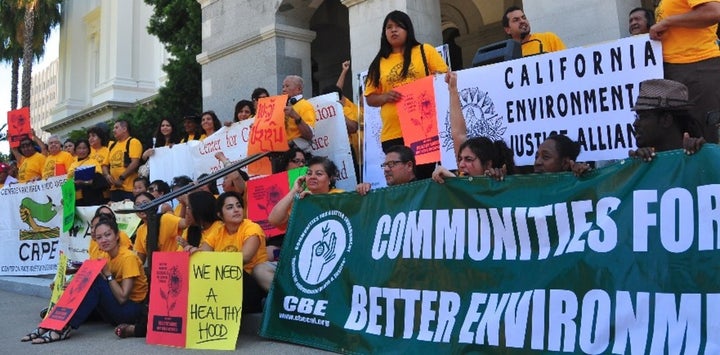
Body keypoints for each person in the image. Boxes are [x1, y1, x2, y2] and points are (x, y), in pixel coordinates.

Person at [21, 216, 147, 344]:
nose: (104, 240)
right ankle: (49, 323)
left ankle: (62, 328)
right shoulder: (103, 255)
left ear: (117, 236)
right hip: (114, 306)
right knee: (87, 282)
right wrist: (71, 284)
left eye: (107, 235)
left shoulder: (128, 258)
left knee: (96, 282)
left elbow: (122, 298)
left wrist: (108, 274)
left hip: (132, 311)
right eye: (99, 237)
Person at [365, 10, 449, 154]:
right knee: (399, 175)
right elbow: (370, 98)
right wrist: (384, 97)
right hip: (392, 134)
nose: (393, 30)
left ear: (408, 29)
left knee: (424, 175)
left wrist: (435, 80)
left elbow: (445, 79)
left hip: (424, 128)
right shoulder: (378, 62)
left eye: (398, 26)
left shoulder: (425, 51)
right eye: (389, 27)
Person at [258, 156, 342, 292]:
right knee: (260, 270)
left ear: (331, 178)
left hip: (328, 262)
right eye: (309, 173)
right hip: (299, 262)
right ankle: (290, 296)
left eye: (319, 174)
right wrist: (293, 191)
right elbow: (274, 219)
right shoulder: (301, 201)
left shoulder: (340, 196)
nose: (312, 177)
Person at [185, 191, 267, 313]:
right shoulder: (218, 231)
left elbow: (244, 257)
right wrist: (192, 250)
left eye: (238, 205)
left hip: (250, 284)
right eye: (230, 207)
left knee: (234, 273)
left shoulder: (251, 227)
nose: (236, 210)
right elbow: (202, 256)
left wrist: (212, 258)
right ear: (220, 214)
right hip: (225, 284)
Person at [650, 0, 720, 143]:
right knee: (689, 140)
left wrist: (668, 21)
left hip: (695, 67)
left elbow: (713, 12)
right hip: (679, 70)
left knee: (704, 138)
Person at [629, 79, 706, 161]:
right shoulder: (642, 162)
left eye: (642, 117)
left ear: (666, 120)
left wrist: (704, 153)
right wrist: (636, 167)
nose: (635, 124)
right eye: (636, 117)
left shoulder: (699, 156)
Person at [132, 192, 187, 264]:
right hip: (157, 271)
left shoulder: (165, 218)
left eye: (145, 203)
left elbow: (186, 223)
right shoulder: (140, 230)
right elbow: (140, 259)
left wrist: (186, 204)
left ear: (154, 205)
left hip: (175, 266)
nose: (142, 207)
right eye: (138, 205)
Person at [104, 120, 143, 201]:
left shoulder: (133, 142)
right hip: (114, 189)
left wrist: (121, 178)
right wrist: (107, 175)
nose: (113, 130)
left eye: (116, 127)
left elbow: (135, 163)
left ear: (124, 129)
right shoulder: (112, 145)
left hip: (129, 189)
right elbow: (105, 165)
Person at [68, 139, 107, 206]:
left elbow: (98, 178)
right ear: (75, 150)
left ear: (88, 149)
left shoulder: (93, 162)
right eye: (79, 148)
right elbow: (69, 180)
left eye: (84, 148)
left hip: (93, 196)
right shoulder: (72, 165)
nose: (81, 151)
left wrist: (85, 182)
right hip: (77, 198)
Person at [282, 75, 316, 152]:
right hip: (285, 152)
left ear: (299, 89)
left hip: (299, 153)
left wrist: (296, 117)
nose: (284, 89)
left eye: (287, 86)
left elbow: (309, 135)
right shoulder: (285, 106)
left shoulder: (305, 106)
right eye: (283, 86)